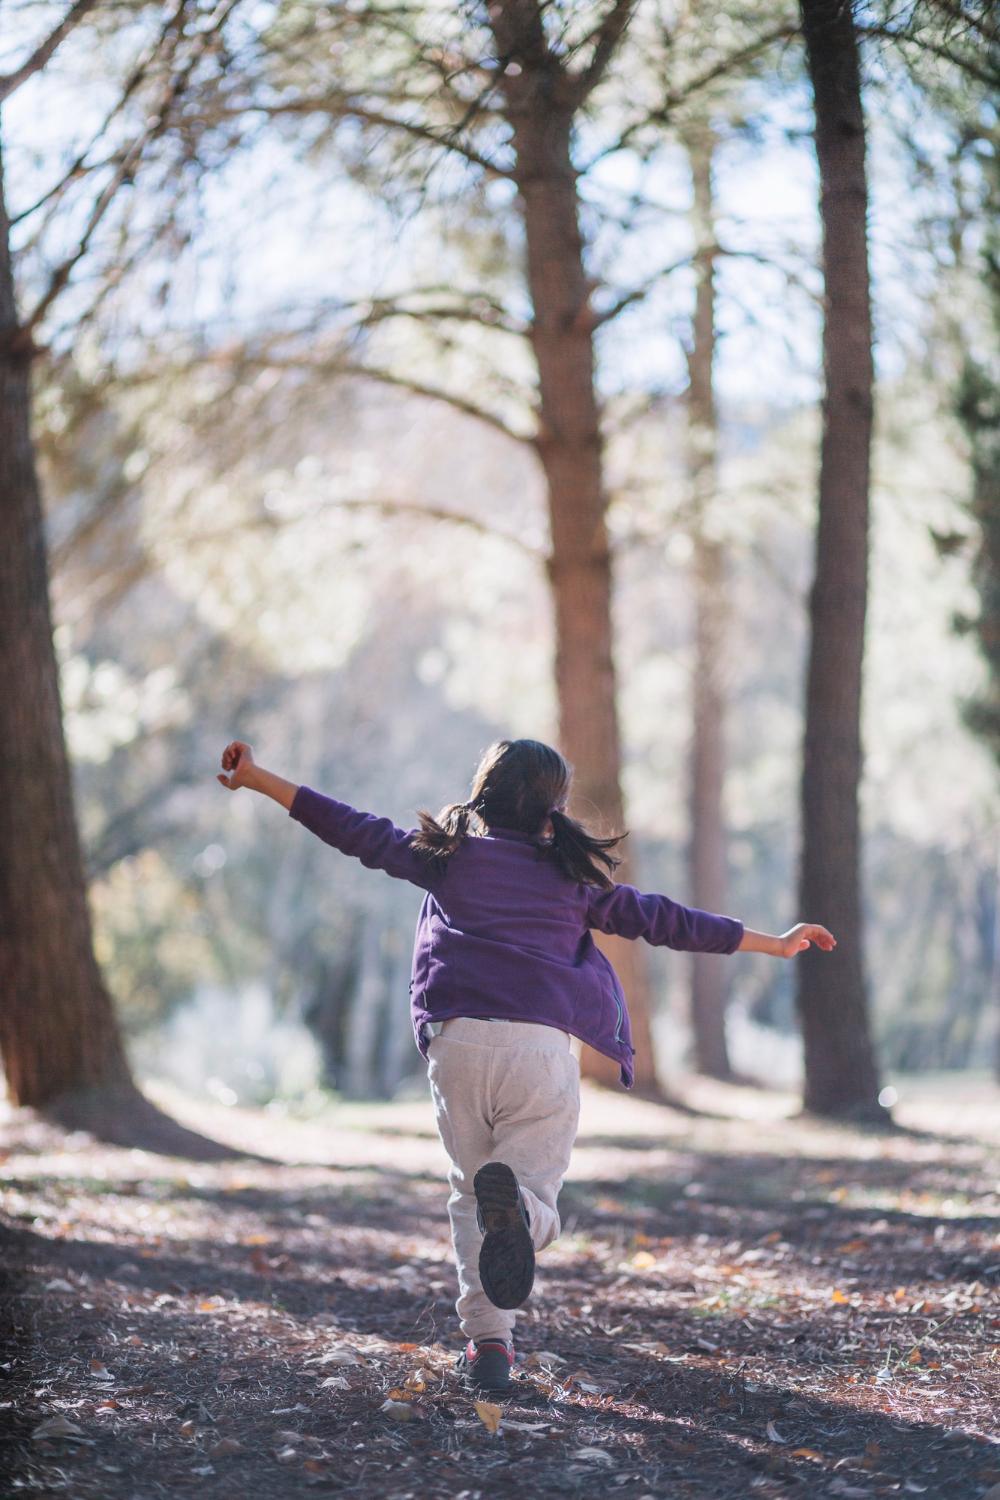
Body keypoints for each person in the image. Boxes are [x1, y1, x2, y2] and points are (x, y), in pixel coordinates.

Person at [217, 736, 835, 1393]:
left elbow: (353, 828)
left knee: (468, 1194)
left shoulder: (447, 859)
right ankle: (522, 1213)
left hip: (458, 1048)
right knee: (527, 1196)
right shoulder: (573, 879)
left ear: (485, 795)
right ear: (552, 811)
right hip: (539, 1053)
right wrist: (769, 942)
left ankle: (490, 1345)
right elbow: (664, 920)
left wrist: (257, 777)